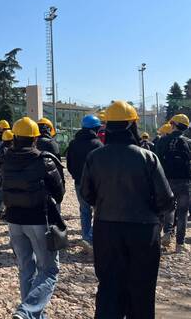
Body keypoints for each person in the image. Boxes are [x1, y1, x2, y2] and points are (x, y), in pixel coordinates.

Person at [81, 100, 174, 318]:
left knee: (109, 287)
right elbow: (165, 199)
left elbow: (86, 194)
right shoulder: (147, 157)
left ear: (107, 126)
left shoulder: (95, 157)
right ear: (132, 125)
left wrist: (105, 203)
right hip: (143, 231)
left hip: (107, 228)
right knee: (142, 289)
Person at [1, 117, 64, 319]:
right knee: (49, 270)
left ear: (15, 137)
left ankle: (31, 314)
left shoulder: (6, 159)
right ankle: (27, 311)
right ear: (35, 138)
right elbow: (59, 192)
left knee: (25, 268)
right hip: (38, 220)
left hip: (13, 221)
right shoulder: (44, 160)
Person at [66, 114, 103, 253]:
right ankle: (91, 238)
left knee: (84, 210)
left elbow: (69, 164)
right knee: (99, 211)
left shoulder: (73, 143)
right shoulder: (98, 144)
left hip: (79, 183)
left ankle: (86, 237)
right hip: (95, 184)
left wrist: (76, 175)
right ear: (96, 128)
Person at [156, 114, 191, 253]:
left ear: (173, 124)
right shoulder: (189, 142)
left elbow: (156, 161)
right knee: (182, 213)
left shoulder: (163, 141)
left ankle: (166, 234)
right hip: (185, 181)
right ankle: (180, 244)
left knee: (167, 209)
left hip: (166, 180)